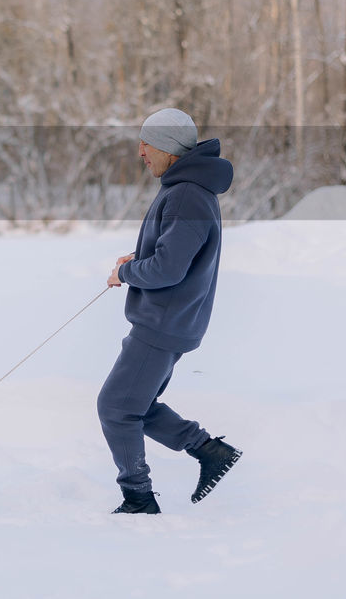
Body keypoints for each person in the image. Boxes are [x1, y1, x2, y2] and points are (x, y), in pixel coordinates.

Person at [99, 108, 239, 515]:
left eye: (147, 143)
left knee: (116, 408)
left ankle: (138, 497)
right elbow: (171, 255)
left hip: (161, 322)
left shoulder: (186, 194)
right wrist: (140, 257)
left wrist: (127, 271)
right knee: (135, 405)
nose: (140, 152)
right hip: (170, 320)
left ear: (169, 148)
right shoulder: (186, 189)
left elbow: (168, 268)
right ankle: (208, 450)